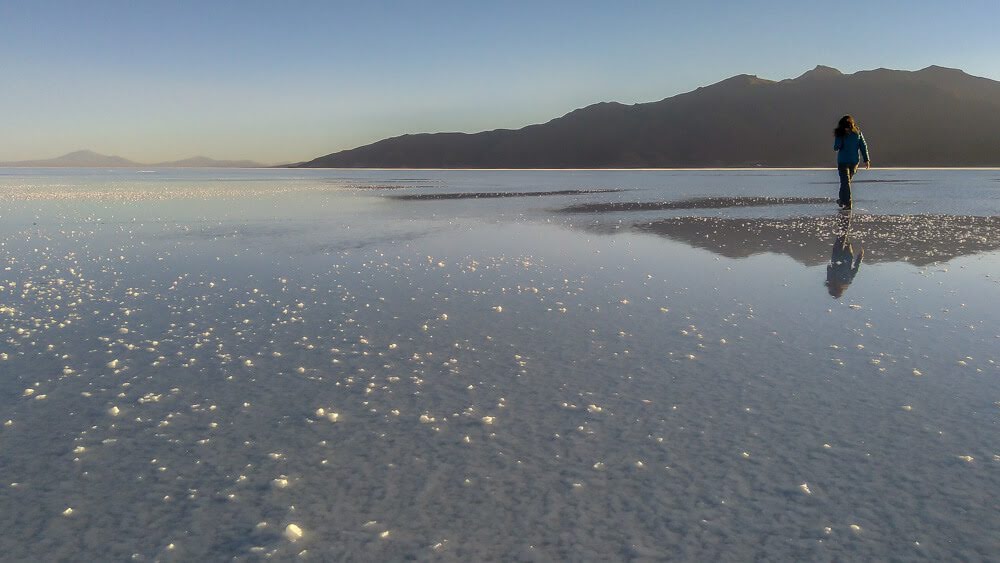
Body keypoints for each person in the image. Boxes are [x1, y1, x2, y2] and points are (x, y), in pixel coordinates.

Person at [833, 115, 870, 210]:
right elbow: (863, 147)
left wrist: (866, 159)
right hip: (850, 162)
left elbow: (836, 147)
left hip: (847, 162)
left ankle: (846, 202)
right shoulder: (855, 133)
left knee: (845, 182)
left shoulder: (855, 133)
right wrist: (866, 160)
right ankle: (844, 201)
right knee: (846, 182)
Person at [826, 213, 863, 298]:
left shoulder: (834, 281)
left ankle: (844, 219)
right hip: (843, 255)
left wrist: (860, 257)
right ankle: (845, 218)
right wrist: (860, 257)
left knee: (842, 236)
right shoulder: (845, 280)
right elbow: (855, 268)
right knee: (842, 236)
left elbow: (829, 268)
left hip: (842, 255)